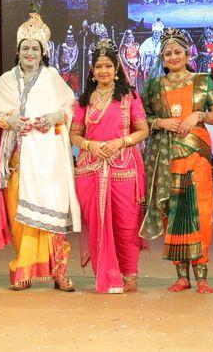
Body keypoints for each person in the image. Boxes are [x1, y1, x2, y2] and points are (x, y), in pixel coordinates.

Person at [0, 12, 80, 291]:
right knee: (20, 217)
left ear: (43, 52)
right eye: (25, 47)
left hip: (49, 162)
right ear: (18, 51)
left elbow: (70, 109)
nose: (29, 52)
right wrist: (8, 121)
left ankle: (59, 272)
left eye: (35, 48)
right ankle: (23, 269)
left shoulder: (52, 77)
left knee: (52, 213)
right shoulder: (5, 81)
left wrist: (54, 117)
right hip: (19, 161)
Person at [141, 27, 213, 294]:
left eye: (178, 51)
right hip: (166, 157)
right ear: (162, 57)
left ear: (187, 53)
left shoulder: (203, 81)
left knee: (201, 213)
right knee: (173, 214)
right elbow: (140, 119)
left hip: (196, 155)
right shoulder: (154, 86)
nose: (173, 56)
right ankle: (181, 276)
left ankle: (201, 275)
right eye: (168, 53)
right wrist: (160, 121)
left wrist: (198, 116)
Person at [70, 39, 149, 293]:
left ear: (117, 69)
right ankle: (106, 275)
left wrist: (121, 142)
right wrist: (90, 146)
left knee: (125, 223)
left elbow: (143, 130)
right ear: (92, 71)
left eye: (108, 66)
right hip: (91, 168)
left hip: (123, 166)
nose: (103, 71)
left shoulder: (129, 96)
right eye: (98, 66)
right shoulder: (84, 100)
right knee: (97, 224)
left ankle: (129, 275)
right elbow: (75, 135)